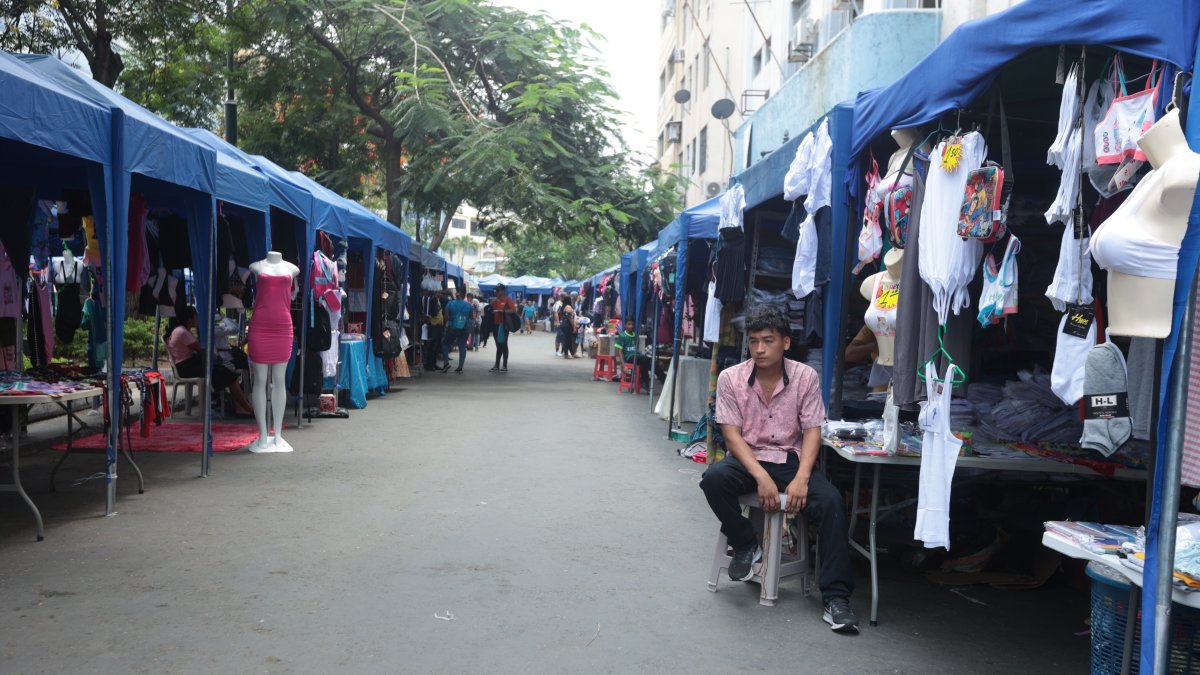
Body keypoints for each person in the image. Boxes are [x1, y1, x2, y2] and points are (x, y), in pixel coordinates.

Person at [699, 304, 858, 633]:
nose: (759, 348)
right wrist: (760, 476)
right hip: (750, 458)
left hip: (790, 460)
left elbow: (813, 429)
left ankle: (836, 598)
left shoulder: (805, 377)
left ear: (785, 342)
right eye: (754, 341)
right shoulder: (732, 378)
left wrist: (801, 479)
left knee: (830, 502)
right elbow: (731, 435)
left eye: (767, 340)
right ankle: (746, 542)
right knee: (713, 479)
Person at [167, 305, 254, 416]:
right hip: (186, 367)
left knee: (226, 372)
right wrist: (216, 357)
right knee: (227, 373)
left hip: (189, 364)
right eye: (196, 316)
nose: (198, 318)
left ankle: (241, 407)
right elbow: (201, 350)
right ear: (189, 319)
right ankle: (246, 408)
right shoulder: (182, 332)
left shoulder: (182, 331)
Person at [442, 290, 473, 373]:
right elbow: (471, 317)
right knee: (462, 346)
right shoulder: (469, 305)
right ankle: (460, 367)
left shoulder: (450, 303)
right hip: (465, 327)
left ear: (456, 295)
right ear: (464, 296)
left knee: (445, 344)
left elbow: (446, 316)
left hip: (452, 327)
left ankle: (446, 363)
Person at [489, 284, 517, 372]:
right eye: (496, 291)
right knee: (498, 345)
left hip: (504, 325)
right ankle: (497, 365)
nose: (496, 292)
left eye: (498, 290)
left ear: (503, 291)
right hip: (495, 325)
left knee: (504, 345)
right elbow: (490, 310)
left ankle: (504, 366)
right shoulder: (495, 300)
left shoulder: (508, 300)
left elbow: (513, 310)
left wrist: (503, 311)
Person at [422, 289, 446, 372]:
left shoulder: (438, 300)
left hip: (439, 325)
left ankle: (433, 363)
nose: (440, 294)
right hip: (434, 325)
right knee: (433, 346)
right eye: (438, 292)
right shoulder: (432, 300)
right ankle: (430, 364)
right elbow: (432, 312)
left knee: (436, 346)